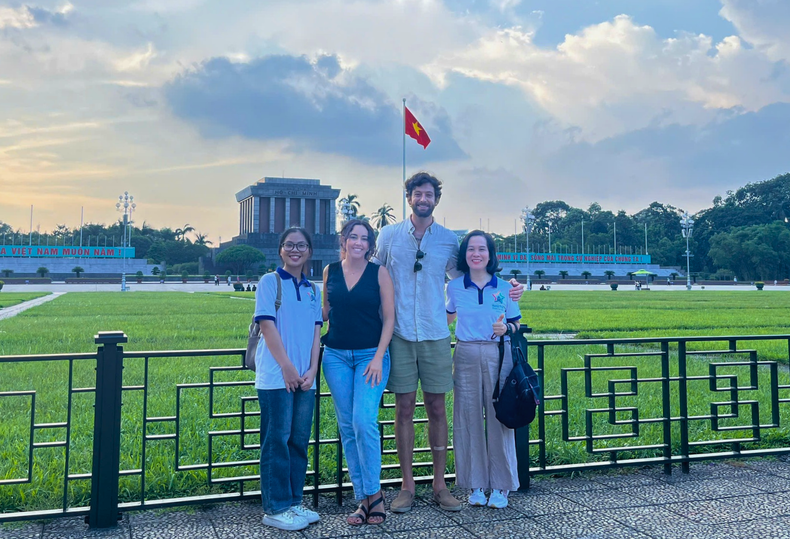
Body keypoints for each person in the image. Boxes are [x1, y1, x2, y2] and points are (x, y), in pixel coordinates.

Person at [372, 172, 524, 514]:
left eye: (429, 194)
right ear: (408, 197)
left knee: (438, 408)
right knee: (404, 410)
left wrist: (511, 287)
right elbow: (376, 274)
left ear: (436, 200)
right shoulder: (388, 236)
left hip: (437, 334)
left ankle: (441, 485)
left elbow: (472, 276)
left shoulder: (447, 241)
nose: (423, 199)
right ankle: (407, 486)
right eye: (417, 194)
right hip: (399, 334)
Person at [321, 219, 395, 525]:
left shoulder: (379, 273)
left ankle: (374, 494)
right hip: (335, 356)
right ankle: (362, 499)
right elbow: (324, 313)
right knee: (348, 426)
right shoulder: (330, 272)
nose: (358, 243)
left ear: (370, 245)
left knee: (364, 421)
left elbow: (389, 319)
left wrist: (378, 356)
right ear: (343, 239)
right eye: (353, 237)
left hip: (370, 356)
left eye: (364, 239)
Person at [253, 227, 323, 531]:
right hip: (276, 378)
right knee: (276, 442)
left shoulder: (312, 289)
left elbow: (316, 333)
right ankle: (275, 507)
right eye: (290, 245)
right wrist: (287, 367)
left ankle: (294, 502)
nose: (296, 250)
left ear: (309, 251)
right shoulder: (270, 282)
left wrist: (310, 370)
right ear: (280, 249)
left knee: (298, 442)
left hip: (305, 379)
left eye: (302, 245)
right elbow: (267, 327)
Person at [446, 231, 522, 509]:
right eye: (470, 249)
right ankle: (475, 483)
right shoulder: (454, 287)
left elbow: (515, 323)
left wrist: (506, 328)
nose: (476, 254)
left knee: (499, 417)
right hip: (464, 353)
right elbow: (447, 315)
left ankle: (501, 486)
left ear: (490, 255)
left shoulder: (505, 287)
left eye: (481, 249)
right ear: (464, 255)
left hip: (497, 354)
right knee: (467, 418)